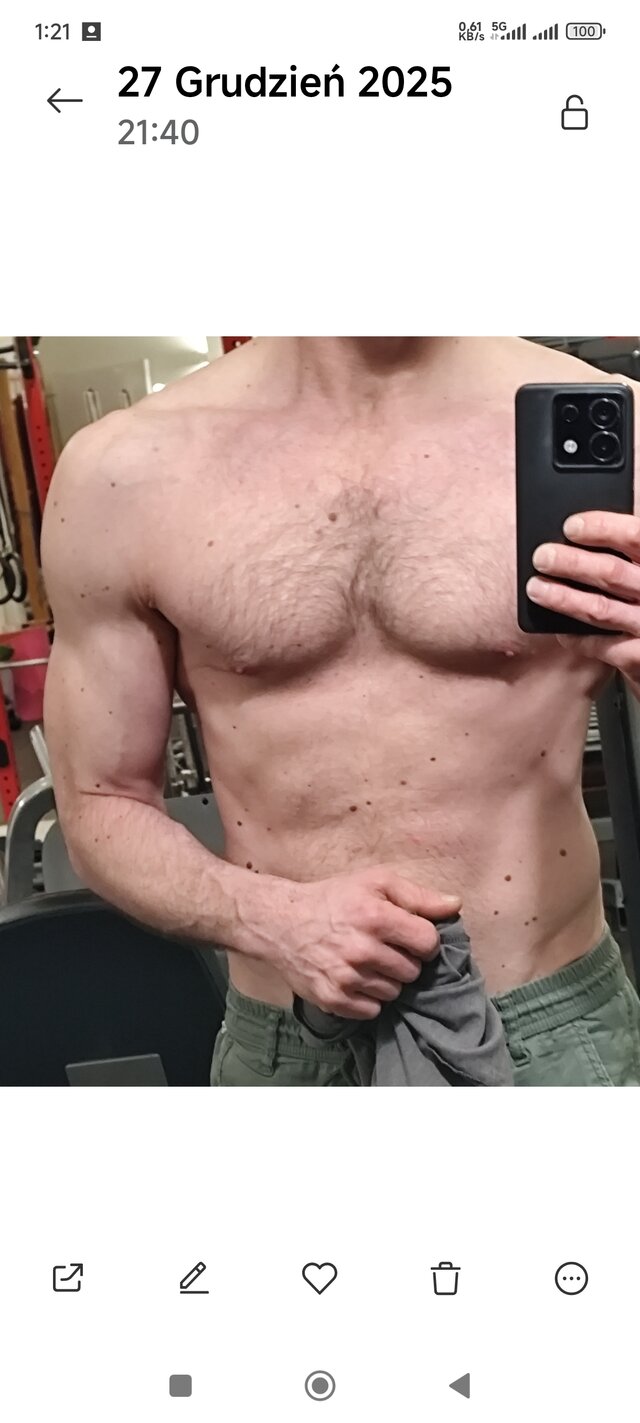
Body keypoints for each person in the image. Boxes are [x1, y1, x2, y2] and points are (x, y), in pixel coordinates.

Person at [41, 337, 640, 1086]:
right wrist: (268, 919)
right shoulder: (125, 472)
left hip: (555, 1034)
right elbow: (100, 803)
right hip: (289, 1046)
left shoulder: (623, 435)